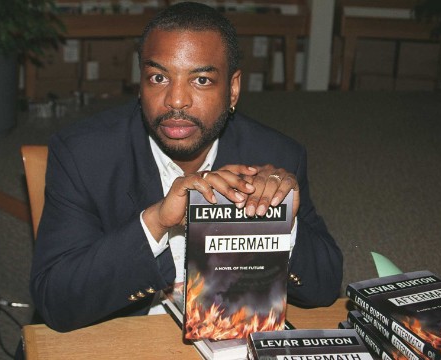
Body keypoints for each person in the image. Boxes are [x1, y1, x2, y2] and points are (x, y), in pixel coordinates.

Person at [29, 1, 343, 334]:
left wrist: (281, 219)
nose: (176, 100)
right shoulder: (85, 155)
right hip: (127, 340)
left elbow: (324, 287)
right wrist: (157, 221)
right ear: (140, 83)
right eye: (159, 77)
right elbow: (55, 301)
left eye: (202, 80)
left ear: (233, 89)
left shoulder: (276, 155)